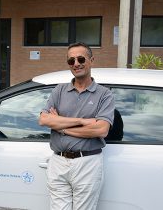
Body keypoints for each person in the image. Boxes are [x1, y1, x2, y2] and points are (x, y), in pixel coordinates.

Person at [39, 42, 115, 210]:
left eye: (81, 59)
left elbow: (101, 129)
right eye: (71, 61)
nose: (76, 64)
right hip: (58, 161)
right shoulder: (59, 90)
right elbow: (44, 120)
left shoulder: (104, 94)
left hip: (87, 161)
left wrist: (61, 127)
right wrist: (82, 121)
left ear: (91, 60)